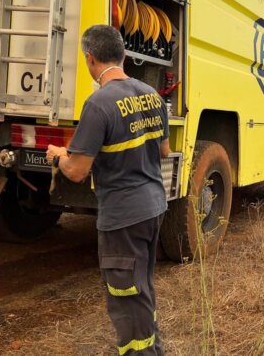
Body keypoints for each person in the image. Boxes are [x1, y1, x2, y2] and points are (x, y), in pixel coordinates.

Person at [46, 25, 170, 356]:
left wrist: (58, 156)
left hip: (123, 218)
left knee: (126, 296)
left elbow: (76, 171)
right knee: (141, 289)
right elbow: (164, 151)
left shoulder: (99, 104)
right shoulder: (152, 95)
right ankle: (153, 350)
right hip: (153, 208)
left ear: (90, 58)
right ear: (123, 55)